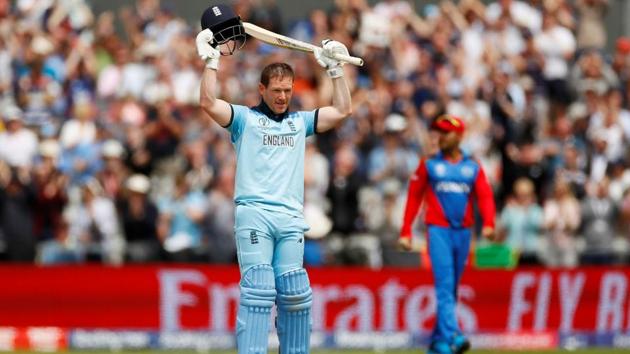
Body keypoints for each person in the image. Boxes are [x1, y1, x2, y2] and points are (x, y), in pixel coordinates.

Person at [195, 4, 352, 354]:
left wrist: (336, 69)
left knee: (295, 292)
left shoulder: (300, 123)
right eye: (276, 90)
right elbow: (208, 103)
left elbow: (343, 111)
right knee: (258, 289)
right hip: (254, 214)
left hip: (290, 217)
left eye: (288, 90)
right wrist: (211, 62)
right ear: (262, 89)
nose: (283, 97)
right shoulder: (244, 119)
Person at [398, 115, 496, 354]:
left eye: (445, 133)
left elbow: (484, 195)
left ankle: (438, 343)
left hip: (463, 232)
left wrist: (489, 223)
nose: (439, 137)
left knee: (451, 287)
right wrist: (406, 231)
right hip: (438, 230)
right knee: (444, 285)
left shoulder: (472, 167)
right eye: (437, 133)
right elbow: (414, 196)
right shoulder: (429, 165)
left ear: (459, 136)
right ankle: (454, 334)